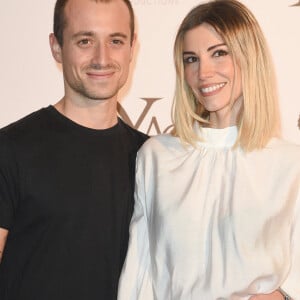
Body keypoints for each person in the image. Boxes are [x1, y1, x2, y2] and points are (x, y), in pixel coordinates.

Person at [117, 0, 300, 299]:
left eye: (219, 54)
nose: (203, 73)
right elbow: (140, 274)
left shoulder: (291, 165)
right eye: (191, 59)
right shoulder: (157, 158)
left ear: (249, 56)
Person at [0, 0, 148, 299]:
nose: (101, 58)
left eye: (115, 41)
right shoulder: (10, 149)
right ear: (57, 47)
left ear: (132, 47)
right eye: (85, 41)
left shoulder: (150, 157)